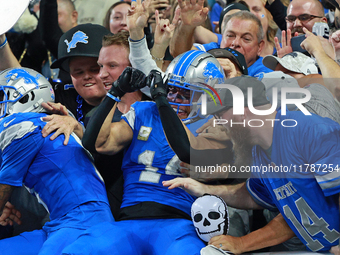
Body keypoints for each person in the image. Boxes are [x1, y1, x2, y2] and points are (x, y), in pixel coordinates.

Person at [60, 50, 226, 255]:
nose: (174, 98)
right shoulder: (144, 111)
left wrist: (162, 101)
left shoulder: (217, 126)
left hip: (177, 224)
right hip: (128, 221)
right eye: (172, 89)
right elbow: (96, 142)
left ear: (210, 96)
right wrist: (115, 93)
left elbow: (187, 151)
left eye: (186, 93)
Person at [163, 75, 340, 254]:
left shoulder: (311, 131)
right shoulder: (257, 153)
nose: (219, 123)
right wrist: (204, 189)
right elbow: (254, 197)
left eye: (220, 114)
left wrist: (242, 243)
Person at [0, 67, 113, 255]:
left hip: (82, 223)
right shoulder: (51, 123)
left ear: (26, 97)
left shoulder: (24, 126)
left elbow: (3, 189)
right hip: (63, 223)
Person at [170, 0, 272, 77]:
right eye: (230, 35)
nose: (235, 43)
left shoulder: (265, 72)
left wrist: (236, 78)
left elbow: (257, 98)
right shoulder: (213, 49)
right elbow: (181, 55)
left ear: (260, 47)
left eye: (246, 38)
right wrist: (187, 26)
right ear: (221, 37)